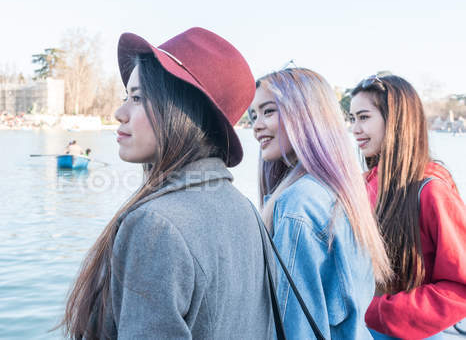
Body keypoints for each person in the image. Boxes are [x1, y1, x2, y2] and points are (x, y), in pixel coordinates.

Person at [60, 27, 273, 339]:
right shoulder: (246, 210)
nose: (120, 113)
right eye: (125, 97)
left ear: (181, 110)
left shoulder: (156, 225)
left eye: (137, 98)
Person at [249, 67, 391, 339]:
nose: (256, 125)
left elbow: (295, 327)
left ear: (305, 115)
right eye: (254, 114)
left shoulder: (298, 203)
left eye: (268, 111)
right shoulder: (340, 191)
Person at [350, 74, 466, 339]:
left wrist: (376, 311)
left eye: (364, 117)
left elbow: (460, 287)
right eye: (352, 118)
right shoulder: (364, 184)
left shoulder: (432, 190)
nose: (355, 129)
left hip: (416, 331)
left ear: (395, 121)